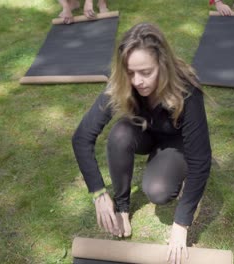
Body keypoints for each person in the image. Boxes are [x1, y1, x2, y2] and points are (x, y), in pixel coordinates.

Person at [72, 23, 212, 264]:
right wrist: (98, 192)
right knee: (120, 134)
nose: (138, 81)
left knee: (158, 191)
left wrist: (181, 223)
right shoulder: (123, 82)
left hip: (176, 140)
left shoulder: (186, 88)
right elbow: (81, 137)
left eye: (146, 72)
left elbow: (201, 159)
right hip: (146, 132)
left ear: (162, 64)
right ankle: (123, 207)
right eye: (131, 72)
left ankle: (175, 170)